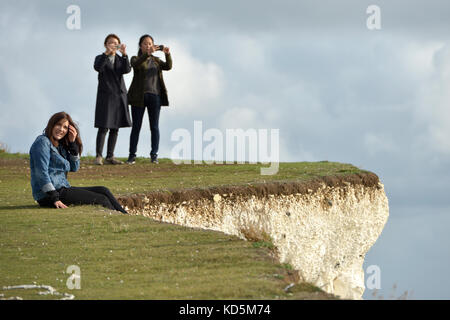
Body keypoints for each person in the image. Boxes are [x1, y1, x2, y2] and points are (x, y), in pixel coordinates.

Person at [29, 112, 128, 214]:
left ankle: (125, 215)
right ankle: (119, 218)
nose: (61, 129)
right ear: (52, 124)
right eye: (58, 125)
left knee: (103, 190)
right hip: (48, 195)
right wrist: (54, 197)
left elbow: (74, 167)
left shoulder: (59, 145)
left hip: (62, 189)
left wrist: (72, 144)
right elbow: (41, 173)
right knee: (101, 199)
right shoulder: (42, 142)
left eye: (65, 127)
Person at [126, 34, 172, 164]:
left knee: (154, 127)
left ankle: (154, 155)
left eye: (150, 43)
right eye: (145, 44)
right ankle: (132, 156)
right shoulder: (136, 58)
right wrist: (147, 54)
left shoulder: (156, 61)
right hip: (138, 97)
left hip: (155, 96)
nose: (148, 46)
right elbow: (136, 65)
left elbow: (168, 66)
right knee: (136, 126)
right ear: (141, 46)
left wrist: (167, 54)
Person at [93, 33, 132, 165]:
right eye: (110, 42)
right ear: (105, 44)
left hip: (119, 96)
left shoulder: (121, 59)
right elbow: (98, 67)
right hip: (106, 96)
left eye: (116, 43)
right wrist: (106, 54)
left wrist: (125, 54)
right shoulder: (100, 58)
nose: (113, 45)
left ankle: (110, 156)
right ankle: (99, 155)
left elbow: (127, 70)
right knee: (103, 126)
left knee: (115, 127)